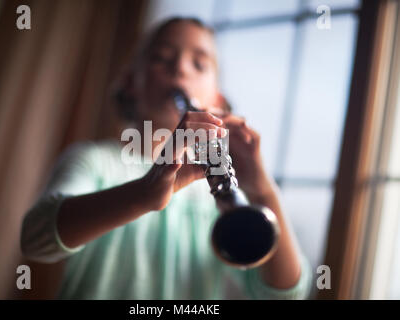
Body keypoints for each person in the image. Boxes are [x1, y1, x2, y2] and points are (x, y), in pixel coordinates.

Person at [21, 17, 312, 299]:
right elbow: (35, 238)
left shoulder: (218, 196)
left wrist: (262, 191)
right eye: (161, 58)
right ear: (130, 83)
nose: (181, 68)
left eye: (199, 64)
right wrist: (144, 193)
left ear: (217, 102)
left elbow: (285, 294)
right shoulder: (94, 160)